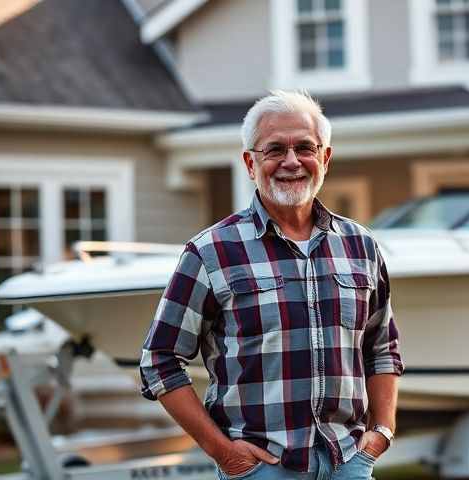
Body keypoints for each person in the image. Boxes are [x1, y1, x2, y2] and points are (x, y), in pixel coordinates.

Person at [139, 90, 404, 479]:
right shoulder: (210, 251)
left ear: (325, 158)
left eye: (305, 148)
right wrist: (224, 453)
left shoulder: (360, 245)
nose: (292, 161)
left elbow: (383, 348)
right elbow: (159, 360)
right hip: (260, 469)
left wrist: (382, 431)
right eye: (275, 149)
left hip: (349, 463)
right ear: (250, 163)